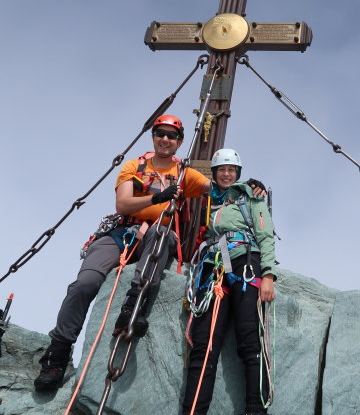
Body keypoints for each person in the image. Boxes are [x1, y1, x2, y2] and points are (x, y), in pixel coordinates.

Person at [34, 116, 265, 391]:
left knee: (162, 235)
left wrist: (247, 186)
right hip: (122, 233)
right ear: (154, 137)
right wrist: (157, 198)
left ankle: (133, 307)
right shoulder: (135, 166)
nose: (165, 139)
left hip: (157, 235)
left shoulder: (185, 174)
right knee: (84, 284)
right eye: (161, 134)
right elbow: (123, 204)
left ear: (179, 142)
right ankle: (57, 354)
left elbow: (218, 189)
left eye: (171, 136)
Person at [182, 148, 276, 415]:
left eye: (231, 170)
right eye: (221, 170)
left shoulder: (251, 197)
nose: (226, 174)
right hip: (214, 270)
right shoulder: (209, 201)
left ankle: (255, 409)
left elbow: (266, 236)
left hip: (246, 263)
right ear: (213, 173)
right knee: (204, 344)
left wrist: (268, 275)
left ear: (238, 174)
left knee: (249, 340)